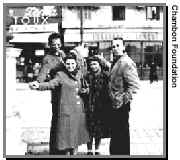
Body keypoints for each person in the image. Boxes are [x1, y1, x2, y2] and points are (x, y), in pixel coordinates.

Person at [29, 55, 89, 155]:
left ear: (76, 64)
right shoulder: (60, 75)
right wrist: (39, 85)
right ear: (65, 64)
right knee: (65, 141)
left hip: (78, 112)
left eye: (72, 63)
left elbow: (85, 86)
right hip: (66, 112)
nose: (70, 66)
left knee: (75, 140)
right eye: (68, 64)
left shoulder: (79, 74)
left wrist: (86, 90)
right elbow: (51, 84)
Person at [29, 32, 66, 154]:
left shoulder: (63, 55)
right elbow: (43, 74)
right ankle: (55, 151)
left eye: (59, 44)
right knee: (57, 122)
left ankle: (64, 147)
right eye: (54, 44)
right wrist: (38, 83)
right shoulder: (48, 58)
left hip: (67, 92)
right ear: (50, 44)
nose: (57, 46)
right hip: (57, 93)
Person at [108, 37, 140, 155]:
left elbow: (134, 86)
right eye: (113, 46)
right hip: (114, 105)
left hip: (121, 106)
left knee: (121, 136)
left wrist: (123, 100)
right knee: (116, 135)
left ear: (123, 47)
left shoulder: (126, 62)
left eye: (117, 45)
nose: (115, 48)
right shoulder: (117, 61)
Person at [83, 56, 112, 155]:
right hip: (89, 105)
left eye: (95, 64)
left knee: (99, 129)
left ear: (100, 65)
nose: (93, 66)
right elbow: (83, 89)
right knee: (89, 128)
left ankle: (98, 148)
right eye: (91, 64)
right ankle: (89, 149)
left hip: (102, 105)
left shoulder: (106, 76)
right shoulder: (86, 76)